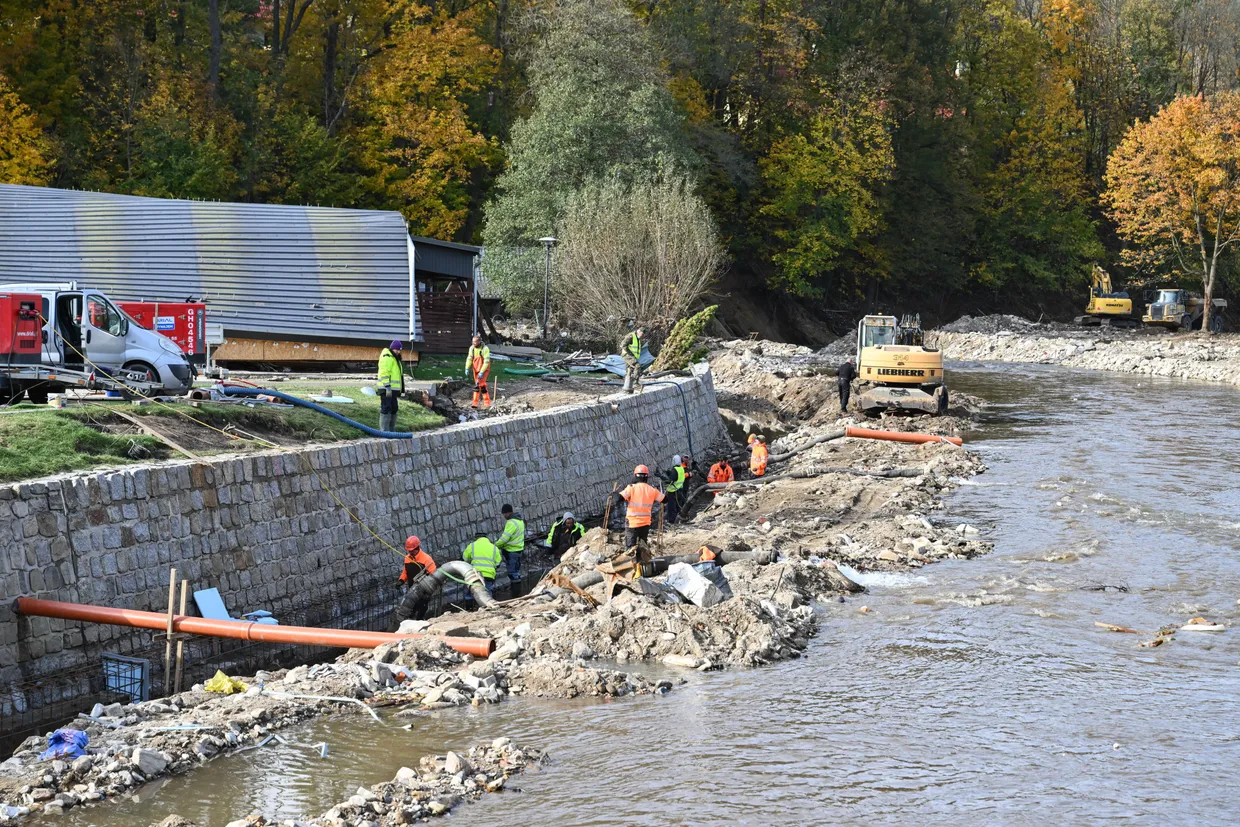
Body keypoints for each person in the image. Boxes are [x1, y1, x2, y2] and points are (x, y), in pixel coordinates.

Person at [613, 464, 666, 554]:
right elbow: (665, 500)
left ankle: (633, 564)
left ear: (635, 476)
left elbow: (618, 499)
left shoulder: (631, 488)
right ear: (647, 477)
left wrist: (614, 493)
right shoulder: (652, 490)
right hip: (645, 523)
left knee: (630, 548)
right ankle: (643, 563)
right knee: (642, 545)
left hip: (632, 523)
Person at [394, 535, 438, 623]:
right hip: (412, 590)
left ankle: (420, 623)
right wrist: (401, 580)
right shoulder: (407, 559)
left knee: (421, 610)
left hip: (424, 591)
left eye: (411, 550)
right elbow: (405, 572)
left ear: (417, 548)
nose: (410, 552)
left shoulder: (426, 559)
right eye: (409, 551)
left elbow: (434, 574)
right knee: (411, 611)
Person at [496, 503, 525, 591]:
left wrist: (495, 545)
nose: (504, 516)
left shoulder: (511, 522)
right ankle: (518, 592)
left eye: (504, 514)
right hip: (519, 550)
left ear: (507, 513)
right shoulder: (520, 521)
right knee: (516, 572)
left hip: (512, 551)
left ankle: (515, 593)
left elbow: (505, 538)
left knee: (512, 573)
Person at [377, 340, 404, 432]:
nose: (398, 352)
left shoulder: (394, 358)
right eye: (397, 350)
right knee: (386, 407)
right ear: (392, 348)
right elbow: (384, 372)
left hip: (392, 389)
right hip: (386, 389)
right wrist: (387, 385)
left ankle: (391, 430)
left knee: (394, 408)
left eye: (399, 350)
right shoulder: (387, 357)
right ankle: (384, 430)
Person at [466, 334, 492, 409]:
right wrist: (467, 367)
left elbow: (486, 362)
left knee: (480, 384)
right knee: (478, 385)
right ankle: (477, 403)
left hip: (484, 369)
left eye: (475, 342)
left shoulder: (485, 349)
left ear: (479, 342)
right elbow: (469, 358)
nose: (473, 343)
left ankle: (485, 403)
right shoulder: (472, 348)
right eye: (473, 342)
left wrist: (482, 372)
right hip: (476, 368)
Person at [663, 454, 687, 524]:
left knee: (671, 508)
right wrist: (668, 473)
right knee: (679, 507)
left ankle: (672, 522)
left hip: (673, 492)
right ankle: (680, 520)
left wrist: (661, 476)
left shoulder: (675, 469)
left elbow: (670, 480)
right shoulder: (681, 468)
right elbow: (676, 477)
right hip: (680, 490)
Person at [621, 326, 644, 394]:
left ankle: (627, 388)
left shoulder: (638, 338)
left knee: (629, 370)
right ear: (639, 331)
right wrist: (630, 353)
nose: (642, 336)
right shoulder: (631, 336)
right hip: (627, 355)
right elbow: (623, 345)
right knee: (637, 366)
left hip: (632, 356)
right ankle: (635, 383)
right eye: (642, 334)